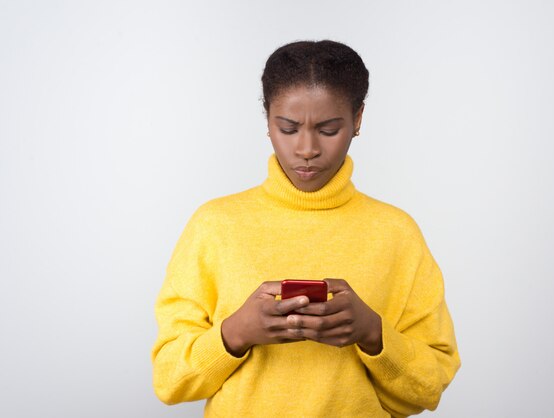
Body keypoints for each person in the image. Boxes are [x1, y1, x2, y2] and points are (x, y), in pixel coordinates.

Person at [151, 39, 461, 417]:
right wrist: (235, 333)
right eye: (288, 127)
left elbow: (428, 388)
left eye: (329, 129)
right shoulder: (215, 225)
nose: (307, 148)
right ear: (268, 121)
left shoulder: (397, 233)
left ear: (358, 120)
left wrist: (372, 333)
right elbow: (168, 380)